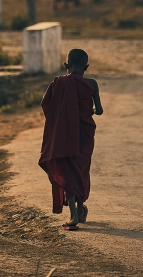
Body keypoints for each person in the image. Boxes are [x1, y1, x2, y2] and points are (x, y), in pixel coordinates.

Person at [38, 48, 103, 231]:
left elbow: (46, 104)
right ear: (87, 67)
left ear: (66, 65)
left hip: (65, 134)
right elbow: (99, 110)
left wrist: (61, 120)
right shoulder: (92, 84)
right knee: (81, 170)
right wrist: (87, 111)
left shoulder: (58, 83)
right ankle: (80, 209)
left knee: (68, 170)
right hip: (85, 134)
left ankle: (74, 214)